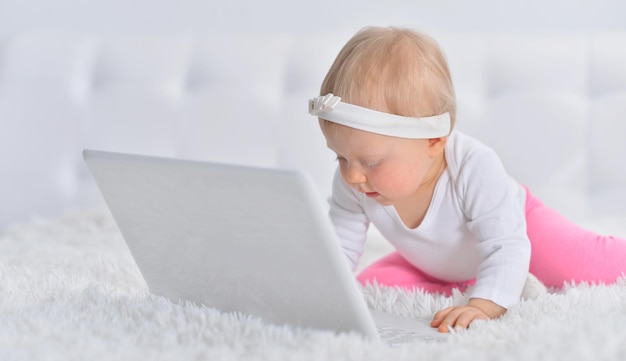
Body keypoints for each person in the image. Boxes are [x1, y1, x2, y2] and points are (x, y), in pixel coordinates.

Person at [308, 26, 626, 333]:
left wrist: (484, 305)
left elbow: (506, 244)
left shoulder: (473, 167)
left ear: (434, 140)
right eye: (340, 157)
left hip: (518, 230)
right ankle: (475, 279)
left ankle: (497, 280)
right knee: (369, 287)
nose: (352, 173)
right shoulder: (355, 177)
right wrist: (315, 291)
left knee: (590, 263)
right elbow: (340, 246)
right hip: (435, 261)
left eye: (372, 161)